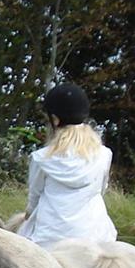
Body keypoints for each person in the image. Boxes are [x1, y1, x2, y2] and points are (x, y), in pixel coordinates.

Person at [17, 82, 118, 248]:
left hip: (49, 239)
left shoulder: (41, 158)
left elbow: (34, 200)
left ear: (55, 120)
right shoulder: (104, 155)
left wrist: (26, 217)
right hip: (96, 236)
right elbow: (101, 190)